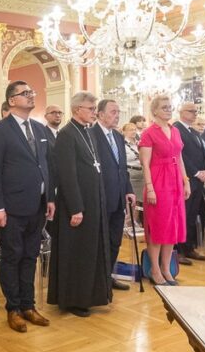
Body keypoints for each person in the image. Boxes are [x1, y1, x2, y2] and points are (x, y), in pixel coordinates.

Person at [0, 80, 55, 332]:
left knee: (30, 256)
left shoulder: (39, 129)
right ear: (11, 100)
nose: (30, 96)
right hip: (11, 207)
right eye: (24, 93)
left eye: (31, 92)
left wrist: (50, 199)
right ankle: (13, 309)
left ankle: (28, 305)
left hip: (37, 205)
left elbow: (46, 165)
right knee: (12, 257)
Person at [47, 92, 111, 317]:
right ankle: (74, 299)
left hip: (93, 202)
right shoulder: (66, 134)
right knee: (77, 252)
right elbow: (67, 175)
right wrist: (76, 207)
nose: (94, 112)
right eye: (91, 108)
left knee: (90, 250)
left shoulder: (88, 132)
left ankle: (90, 296)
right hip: (77, 206)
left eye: (94, 108)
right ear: (77, 110)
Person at [139, 95, 189, 285]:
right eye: (164, 107)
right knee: (158, 227)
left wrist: (186, 181)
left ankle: (167, 269)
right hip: (158, 181)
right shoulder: (149, 133)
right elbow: (145, 163)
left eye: (170, 107)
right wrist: (150, 188)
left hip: (175, 179)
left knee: (172, 227)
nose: (168, 110)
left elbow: (180, 157)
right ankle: (155, 269)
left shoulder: (175, 131)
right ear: (155, 111)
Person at [95, 98, 136, 290]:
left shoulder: (119, 137)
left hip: (119, 198)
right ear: (100, 114)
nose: (117, 115)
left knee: (114, 240)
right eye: (113, 112)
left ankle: (108, 275)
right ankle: (98, 279)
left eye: (118, 112)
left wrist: (128, 190)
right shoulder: (92, 135)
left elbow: (122, 168)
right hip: (101, 199)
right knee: (100, 242)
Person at [173, 103, 205, 264]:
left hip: (198, 180)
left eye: (196, 111)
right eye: (191, 111)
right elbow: (180, 155)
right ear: (181, 112)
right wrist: (195, 172)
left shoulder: (194, 131)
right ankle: (178, 250)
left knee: (192, 215)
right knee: (182, 215)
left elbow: (204, 153)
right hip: (185, 179)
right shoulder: (176, 129)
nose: (195, 114)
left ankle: (189, 247)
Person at [121, 122, 144, 206]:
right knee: (132, 202)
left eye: (135, 130)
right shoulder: (122, 144)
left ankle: (137, 219)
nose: (134, 132)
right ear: (124, 132)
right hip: (131, 174)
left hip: (141, 174)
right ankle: (131, 219)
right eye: (131, 130)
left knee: (141, 202)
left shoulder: (139, 143)